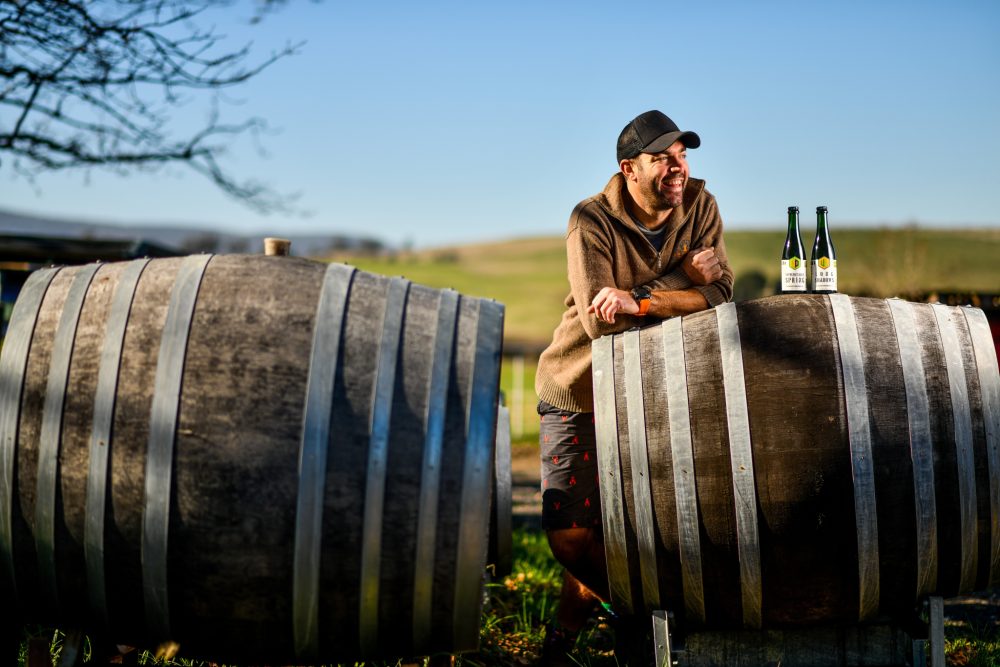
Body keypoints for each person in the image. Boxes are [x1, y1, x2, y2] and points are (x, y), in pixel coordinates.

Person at [534, 109, 734, 665]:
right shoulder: (590, 221)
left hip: (656, 392)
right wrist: (680, 284)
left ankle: (558, 650)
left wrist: (642, 299)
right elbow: (603, 322)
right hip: (579, 388)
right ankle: (644, 625)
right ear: (629, 168)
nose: (678, 167)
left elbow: (721, 295)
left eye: (683, 154)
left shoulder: (701, 206)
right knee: (572, 537)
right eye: (662, 157)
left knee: (635, 531)